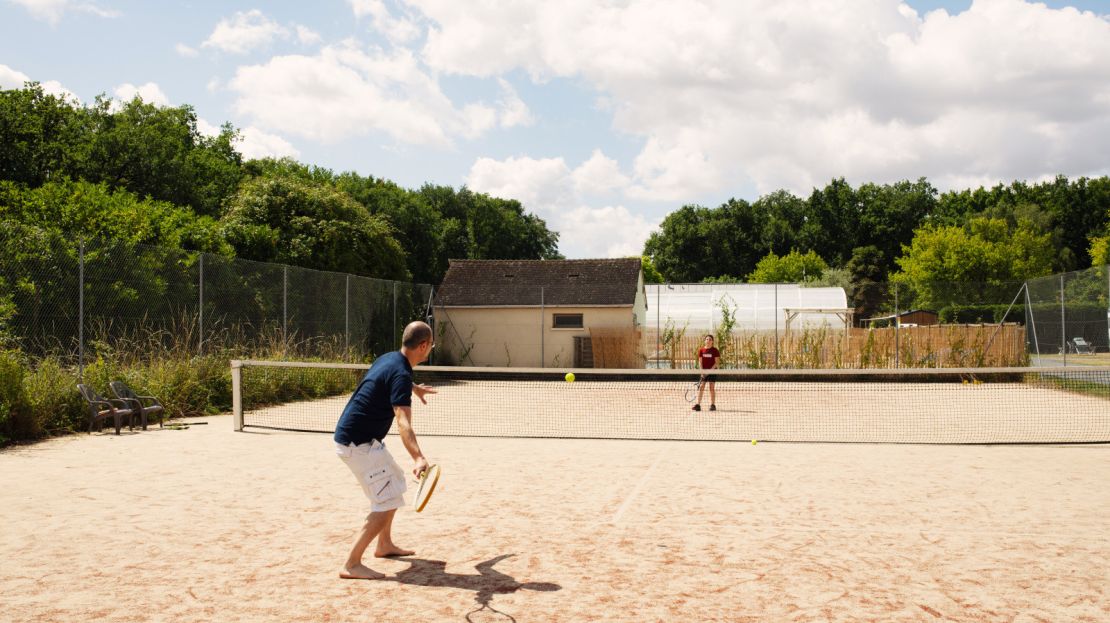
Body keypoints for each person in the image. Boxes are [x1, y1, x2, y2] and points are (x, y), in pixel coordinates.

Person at [333, 320, 437, 580]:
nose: (431, 349)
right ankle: (352, 563)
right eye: (431, 345)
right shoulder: (401, 374)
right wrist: (418, 457)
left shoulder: (392, 359)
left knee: (396, 482)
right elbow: (402, 421)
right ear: (423, 345)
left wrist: (414, 388)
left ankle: (384, 545)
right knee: (386, 501)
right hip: (358, 444)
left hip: (361, 439)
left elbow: (387, 378)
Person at [693, 334, 719, 411]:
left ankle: (713, 405)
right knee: (701, 387)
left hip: (713, 371)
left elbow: (716, 363)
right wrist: (702, 372)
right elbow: (700, 362)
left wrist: (709, 371)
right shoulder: (701, 350)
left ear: (712, 341)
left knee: (711, 387)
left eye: (710, 339)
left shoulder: (715, 350)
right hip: (704, 372)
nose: (708, 340)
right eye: (707, 339)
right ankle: (698, 405)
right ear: (705, 341)